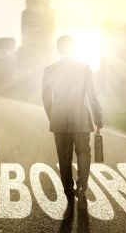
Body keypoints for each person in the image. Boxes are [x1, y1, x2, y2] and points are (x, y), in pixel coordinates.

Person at [42, 35, 102, 216]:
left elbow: (46, 98)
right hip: (81, 119)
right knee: (84, 153)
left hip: (59, 119)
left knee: (64, 157)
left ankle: (68, 192)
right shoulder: (84, 68)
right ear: (74, 49)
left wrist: (53, 116)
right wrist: (98, 119)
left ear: (58, 49)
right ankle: (82, 188)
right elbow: (92, 96)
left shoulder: (50, 70)